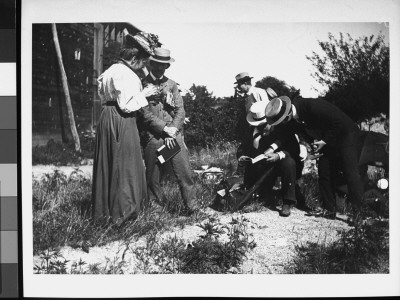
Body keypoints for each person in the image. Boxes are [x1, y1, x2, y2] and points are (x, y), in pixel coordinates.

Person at [92, 31, 178, 225]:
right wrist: (145, 94)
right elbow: (126, 105)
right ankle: (124, 213)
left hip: (107, 117)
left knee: (110, 163)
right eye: (143, 61)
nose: (144, 65)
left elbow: (104, 95)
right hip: (123, 119)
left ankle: (104, 212)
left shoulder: (110, 70)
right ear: (134, 57)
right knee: (125, 165)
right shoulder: (127, 74)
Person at [265, 96, 364, 222]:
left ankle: (358, 214)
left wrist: (324, 140)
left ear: (288, 115)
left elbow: (338, 121)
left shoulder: (313, 106)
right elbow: (289, 136)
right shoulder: (291, 120)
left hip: (346, 135)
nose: (282, 124)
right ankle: (329, 209)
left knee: (351, 173)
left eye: (281, 121)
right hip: (327, 139)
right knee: (324, 171)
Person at [141, 47, 198, 214]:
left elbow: (181, 110)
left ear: (167, 66)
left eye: (164, 65)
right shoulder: (142, 85)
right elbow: (144, 114)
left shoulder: (172, 84)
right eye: (157, 64)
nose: (160, 68)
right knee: (153, 176)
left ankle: (192, 207)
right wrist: (164, 128)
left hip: (173, 136)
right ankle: (156, 210)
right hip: (154, 137)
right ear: (151, 64)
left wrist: (173, 128)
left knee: (184, 172)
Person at [240, 100, 304, 216]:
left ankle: (287, 202)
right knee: (260, 188)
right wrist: (242, 157)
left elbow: (295, 149)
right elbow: (242, 149)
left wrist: (278, 155)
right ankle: (259, 195)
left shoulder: (283, 128)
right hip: (261, 166)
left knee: (289, 163)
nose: (260, 127)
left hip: (279, 163)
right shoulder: (250, 131)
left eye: (262, 124)